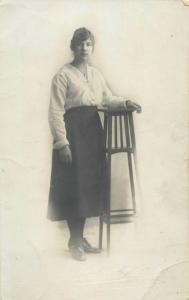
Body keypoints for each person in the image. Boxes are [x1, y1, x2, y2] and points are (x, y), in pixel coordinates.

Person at [47, 27, 141, 261]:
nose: (84, 48)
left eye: (88, 44)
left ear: (92, 47)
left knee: (88, 185)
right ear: (73, 46)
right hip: (73, 133)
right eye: (80, 44)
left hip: (92, 132)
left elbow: (107, 97)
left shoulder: (96, 74)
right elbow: (55, 111)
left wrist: (125, 101)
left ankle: (80, 239)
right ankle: (74, 241)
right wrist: (62, 143)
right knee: (73, 185)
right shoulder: (63, 75)